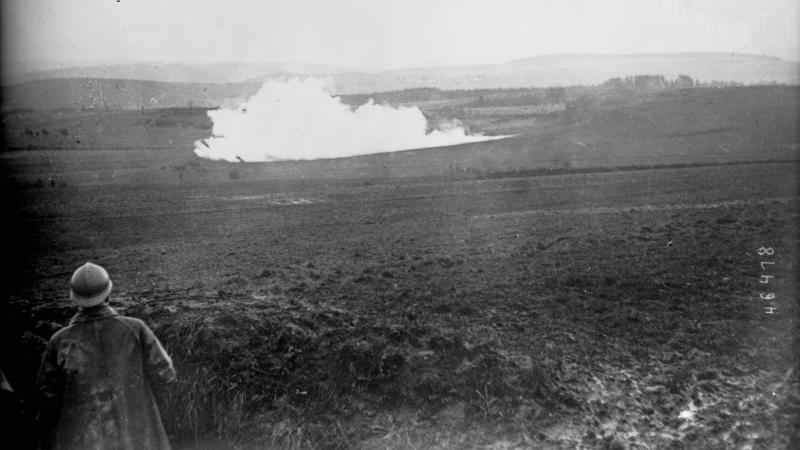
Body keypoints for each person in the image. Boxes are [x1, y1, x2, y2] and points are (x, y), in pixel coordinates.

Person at [35, 262, 176, 450]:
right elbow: (165, 376)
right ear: (108, 294)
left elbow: (46, 400)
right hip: (139, 437)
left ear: (75, 300)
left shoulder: (59, 341)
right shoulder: (135, 329)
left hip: (83, 440)